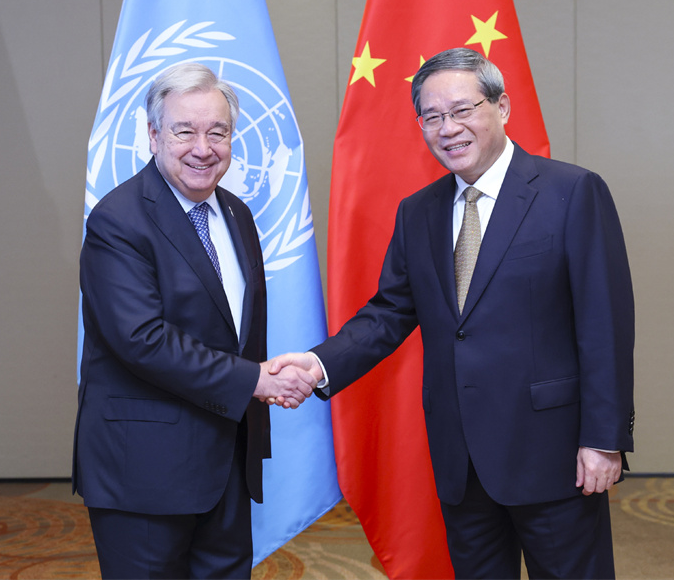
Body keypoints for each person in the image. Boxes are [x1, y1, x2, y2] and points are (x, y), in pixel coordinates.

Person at [272, 47, 635, 579]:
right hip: (461, 462)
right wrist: (318, 365)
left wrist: (604, 439)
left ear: (502, 106)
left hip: (554, 457)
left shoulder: (571, 193)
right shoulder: (418, 211)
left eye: (463, 110)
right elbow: (389, 313)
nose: (448, 128)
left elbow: (605, 325)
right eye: (432, 116)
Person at [72, 62, 317, 579]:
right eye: (185, 131)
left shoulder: (236, 214)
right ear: (154, 134)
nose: (203, 147)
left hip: (226, 461)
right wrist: (255, 380)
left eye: (218, 132)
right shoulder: (119, 221)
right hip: (143, 472)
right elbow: (142, 340)